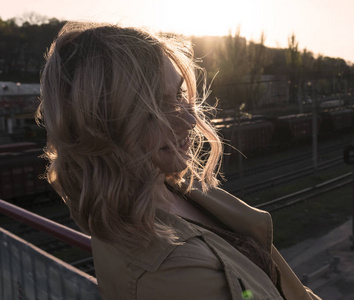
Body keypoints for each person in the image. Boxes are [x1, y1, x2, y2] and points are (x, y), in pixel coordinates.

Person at [37, 22, 320, 300]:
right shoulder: (170, 274)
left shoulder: (168, 188)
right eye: (158, 107)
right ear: (104, 127)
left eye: (180, 94)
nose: (189, 119)